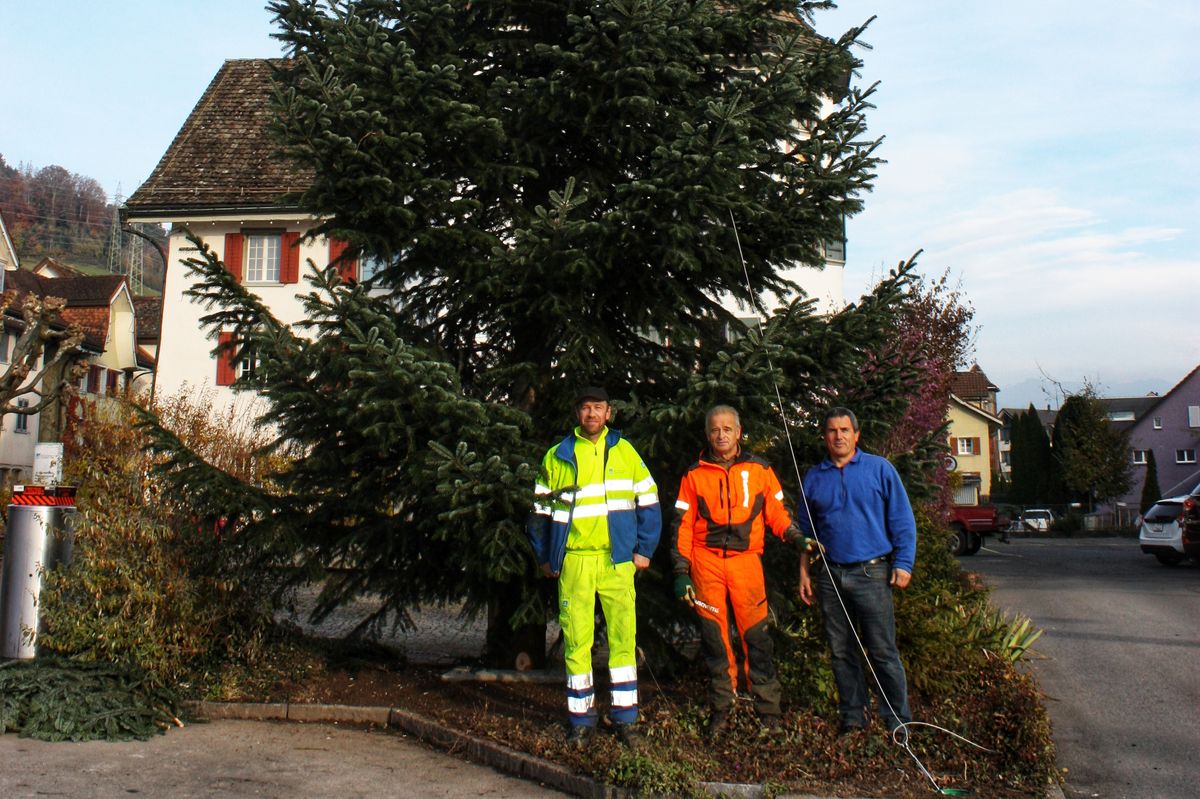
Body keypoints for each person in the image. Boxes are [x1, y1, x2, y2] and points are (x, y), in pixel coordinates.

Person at [528, 387, 661, 749]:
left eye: (598, 408)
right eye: (585, 408)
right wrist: (546, 556)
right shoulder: (557, 456)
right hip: (575, 561)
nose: (591, 414)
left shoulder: (625, 452)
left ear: (608, 413)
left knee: (622, 640)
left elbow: (649, 500)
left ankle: (625, 719)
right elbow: (539, 512)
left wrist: (644, 550)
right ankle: (581, 720)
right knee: (577, 642)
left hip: (617, 561)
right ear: (577, 413)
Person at [671, 405, 807, 737]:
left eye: (727, 429)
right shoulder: (693, 475)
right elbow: (682, 527)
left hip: (747, 563)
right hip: (706, 564)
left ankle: (768, 712)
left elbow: (777, 511)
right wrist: (681, 571)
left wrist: (796, 537)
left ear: (739, 431)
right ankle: (723, 708)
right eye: (715, 430)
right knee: (714, 640)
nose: (721, 435)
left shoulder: (760, 469)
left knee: (757, 638)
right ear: (708, 434)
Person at [798, 406, 916, 736]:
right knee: (841, 652)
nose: (839, 436)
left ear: (856, 435)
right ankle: (854, 718)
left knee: (882, 650)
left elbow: (903, 520)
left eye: (845, 430)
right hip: (831, 577)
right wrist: (805, 573)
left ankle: (898, 722)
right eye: (833, 431)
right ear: (825, 437)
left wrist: (904, 563)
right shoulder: (813, 477)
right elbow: (806, 533)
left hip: (872, 574)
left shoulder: (880, 470)